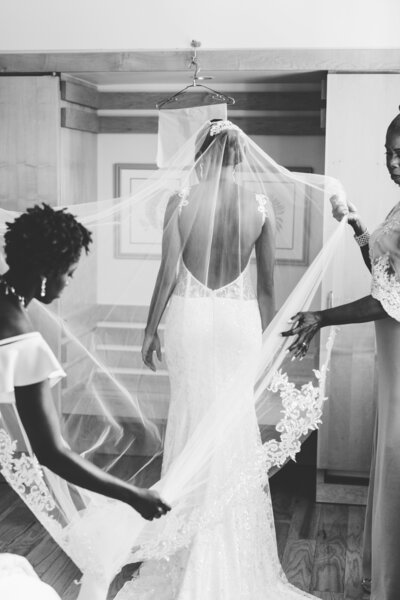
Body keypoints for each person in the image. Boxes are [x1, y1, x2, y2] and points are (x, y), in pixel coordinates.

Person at [114, 119, 326, 599]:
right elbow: (269, 287)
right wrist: (272, 342)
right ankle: (232, 554)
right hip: (239, 324)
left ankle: (186, 548)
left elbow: (168, 273)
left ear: (202, 155)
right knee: (233, 426)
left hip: (190, 317)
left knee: (190, 420)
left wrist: (149, 330)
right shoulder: (260, 205)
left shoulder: (181, 201)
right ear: (238, 156)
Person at [282, 112, 400, 600]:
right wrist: (357, 224)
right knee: (390, 451)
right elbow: (384, 271)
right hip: (390, 348)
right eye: (389, 152)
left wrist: (321, 317)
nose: (394, 162)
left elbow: (391, 298)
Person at [0, 203, 170, 522]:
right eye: (69, 273)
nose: (68, 282)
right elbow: (51, 451)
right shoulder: (23, 344)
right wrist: (133, 494)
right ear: (45, 274)